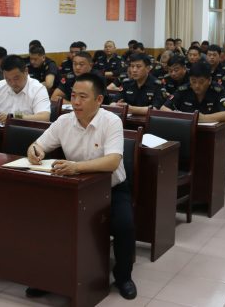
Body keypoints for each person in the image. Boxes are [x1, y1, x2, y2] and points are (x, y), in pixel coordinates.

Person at [27, 73, 137, 299]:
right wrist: (34, 152)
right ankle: (49, 276)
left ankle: (123, 276)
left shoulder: (111, 121)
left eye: (83, 97)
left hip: (111, 190)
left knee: (124, 226)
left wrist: (76, 167)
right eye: (74, 96)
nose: (76, 102)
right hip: (75, 189)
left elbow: (112, 161)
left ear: (99, 100)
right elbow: (37, 145)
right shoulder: (64, 121)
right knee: (46, 220)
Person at [0, 55, 51, 124]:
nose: (12, 83)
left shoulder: (38, 89)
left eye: (16, 78)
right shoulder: (0, 86)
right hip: (0, 132)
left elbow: (44, 117)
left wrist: (14, 117)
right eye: (8, 79)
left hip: (27, 133)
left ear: (26, 71)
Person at [161, 62, 225, 124]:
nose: (197, 85)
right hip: (186, 129)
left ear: (209, 80)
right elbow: (163, 108)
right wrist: (179, 116)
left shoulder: (218, 90)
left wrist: (203, 118)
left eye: (201, 82)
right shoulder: (184, 89)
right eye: (193, 81)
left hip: (210, 132)